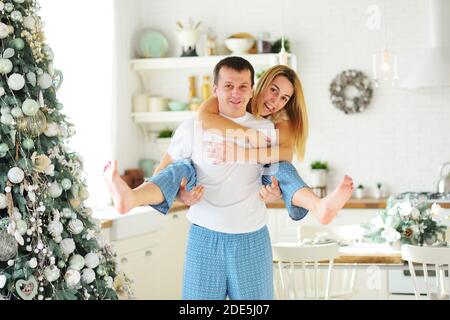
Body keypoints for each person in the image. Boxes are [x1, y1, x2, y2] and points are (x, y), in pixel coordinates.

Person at [105, 57, 281, 299]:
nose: (236, 93)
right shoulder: (192, 128)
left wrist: (274, 192)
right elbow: (163, 174)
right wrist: (181, 194)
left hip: (251, 239)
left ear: (252, 90)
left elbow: (272, 180)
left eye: (242, 86)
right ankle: (131, 197)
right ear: (215, 89)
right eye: (228, 86)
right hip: (204, 237)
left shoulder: (265, 130)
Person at [198, 64, 354, 224]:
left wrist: (241, 154)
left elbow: (285, 154)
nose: (276, 101)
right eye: (274, 90)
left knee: (281, 167)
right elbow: (204, 118)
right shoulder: (235, 96)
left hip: (252, 186)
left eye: (284, 98)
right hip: (213, 183)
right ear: (262, 83)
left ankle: (318, 206)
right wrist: (248, 133)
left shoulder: (280, 119)